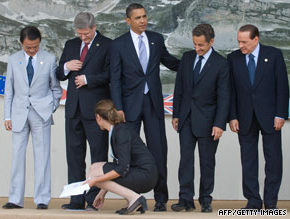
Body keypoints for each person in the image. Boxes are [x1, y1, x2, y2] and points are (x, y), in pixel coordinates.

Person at [110, 3, 180, 211]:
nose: (143, 21)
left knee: (159, 152)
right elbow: (115, 79)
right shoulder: (118, 45)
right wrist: (119, 107)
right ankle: (133, 198)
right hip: (128, 108)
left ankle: (161, 199)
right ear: (128, 21)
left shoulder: (156, 40)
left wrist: (195, 61)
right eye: (138, 18)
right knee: (128, 155)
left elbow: (170, 62)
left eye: (144, 16)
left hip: (153, 105)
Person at [228, 24, 289, 210]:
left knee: (273, 161)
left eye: (244, 42)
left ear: (256, 39)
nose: (241, 45)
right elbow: (230, 91)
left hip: (271, 117)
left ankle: (270, 202)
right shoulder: (233, 58)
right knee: (248, 161)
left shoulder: (274, 55)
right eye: (238, 41)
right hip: (244, 118)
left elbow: (282, 88)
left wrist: (281, 114)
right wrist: (232, 116)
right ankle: (253, 201)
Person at [172, 24, 230, 213]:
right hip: (186, 119)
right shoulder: (187, 58)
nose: (197, 48)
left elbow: (224, 97)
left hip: (209, 122)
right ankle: (185, 199)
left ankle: (206, 200)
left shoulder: (221, 63)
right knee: (185, 161)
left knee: (207, 162)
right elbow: (179, 88)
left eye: (201, 45)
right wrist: (176, 114)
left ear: (211, 41)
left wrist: (219, 123)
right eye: (195, 44)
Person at [56, 12, 111, 210]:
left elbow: (110, 74)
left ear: (94, 27)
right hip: (73, 111)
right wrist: (66, 66)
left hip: (96, 112)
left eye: (86, 34)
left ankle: (93, 200)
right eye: (79, 34)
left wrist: (89, 79)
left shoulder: (107, 45)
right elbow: (58, 74)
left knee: (98, 157)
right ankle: (76, 200)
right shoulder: (71, 45)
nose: (83, 37)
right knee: (74, 157)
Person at [3, 26, 62, 210]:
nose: (32, 50)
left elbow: (56, 88)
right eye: (28, 47)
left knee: (42, 157)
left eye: (35, 47)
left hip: (41, 114)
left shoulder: (50, 59)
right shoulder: (13, 60)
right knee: (18, 157)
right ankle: (15, 199)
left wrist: (51, 106)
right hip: (19, 113)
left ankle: (42, 199)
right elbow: (9, 90)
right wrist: (7, 116)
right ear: (21, 43)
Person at [84, 99, 158, 215]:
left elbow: (122, 168)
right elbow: (119, 166)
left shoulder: (121, 132)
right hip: (141, 172)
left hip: (145, 176)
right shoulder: (117, 130)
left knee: (95, 174)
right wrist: (101, 193)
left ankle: (134, 198)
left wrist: (96, 181)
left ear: (98, 117)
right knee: (95, 168)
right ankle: (133, 199)